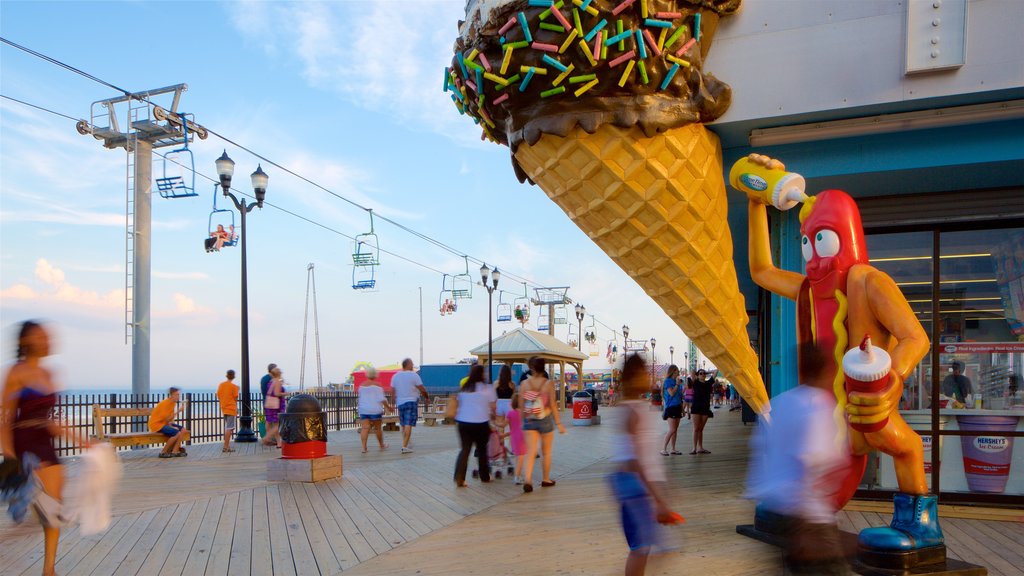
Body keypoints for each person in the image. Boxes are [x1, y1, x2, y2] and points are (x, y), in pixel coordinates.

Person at [746, 343, 853, 575]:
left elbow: (760, 451)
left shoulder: (779, 403)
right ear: (828, 370)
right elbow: (811, 461)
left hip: (776, 506)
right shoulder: (818, 406)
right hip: (809, 515)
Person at [1, 321, 67, 576]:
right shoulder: (15, 372)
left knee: (54, 507)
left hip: (45, 440)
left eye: (47, 336)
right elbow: (5, 418)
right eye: (40, 336)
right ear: (25, 342)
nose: (46, 340)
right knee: (40, 504)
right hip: (24, 440)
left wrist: (83, 440)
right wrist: (9, 456)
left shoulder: (50, 374)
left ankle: (49, 568)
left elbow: (50, 420)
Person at [610, 354, 683, 576]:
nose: (648, 376)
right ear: (633, 377)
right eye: (644, 372)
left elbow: (646, 457)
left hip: (641, 486)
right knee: (640, 549)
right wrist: (658, 498)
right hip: (636, 487)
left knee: (645, 547)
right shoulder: (632, 410)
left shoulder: (637, 407)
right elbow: (634, 461)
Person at [520, 356, 566, 493]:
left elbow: (521, 405)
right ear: (543, 367)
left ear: (531, 368)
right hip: (545, 419)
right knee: (546, 453)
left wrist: (524, 421)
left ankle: (528, 480)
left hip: (529, 420)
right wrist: (559, 424)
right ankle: (545, 479)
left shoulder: (524, 384)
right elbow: (552, 404)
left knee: (530, 452)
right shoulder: (548, 383)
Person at [452, 364, 496, 486]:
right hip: (481, 423)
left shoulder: (464, 388)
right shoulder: (488, 388)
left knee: (465, 450)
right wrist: (493, 417)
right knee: (482, 450)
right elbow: (493, 407)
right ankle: (484, 476)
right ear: (482, 374)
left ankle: (459, 477)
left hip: (463, 423)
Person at [391, 358, 428, 454]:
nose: (413, 365)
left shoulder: (396, 376)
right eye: (412, 364)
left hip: (400, 403)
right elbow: (422, 389)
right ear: (408, 365)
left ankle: (407, 442)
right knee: (408, 424)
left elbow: (392, 391)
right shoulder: (414, 375)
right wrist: (426, 397)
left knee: (403, 424)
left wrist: (393, 402)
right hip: (411, 402)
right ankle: (404, 446)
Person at [357, 367, 392, 453]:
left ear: (367, 374)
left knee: (365, 428)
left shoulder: (362, 386)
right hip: (375, 410)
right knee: (378, 428)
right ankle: (381, 445)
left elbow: (360, 399)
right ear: (375, 375)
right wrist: (388, 407)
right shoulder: (378, 385)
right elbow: (382, 399)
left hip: (364, 410)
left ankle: (364, 448)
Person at [148, 387, 189, 458]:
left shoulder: (173, 403)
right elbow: (166, 419)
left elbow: (169, 419)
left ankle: (175, 451)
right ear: (172, 395)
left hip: (164, 423)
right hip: (157, 424)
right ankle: (163, 452)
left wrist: (171, 425)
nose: (178, 396)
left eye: (179, 395)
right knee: (176, 433)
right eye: (177, 395)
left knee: (183, 430)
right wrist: (178, 411)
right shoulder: (165, 403)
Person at [262, 366, 289, 448]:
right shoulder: (277, 381)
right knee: (278, 424)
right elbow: (277, 393)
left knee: (272, 422)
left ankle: (278, 443)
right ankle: (267, 437)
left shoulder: (271, 381)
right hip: (276, 405)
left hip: (269, 404)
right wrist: (285, 394)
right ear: (279, 374)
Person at [660, 365, 683, 456]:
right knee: (672, 429)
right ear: (673, 371)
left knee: (675, 429)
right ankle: (663, 448)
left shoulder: (676, 382)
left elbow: (679, 396)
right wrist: (677, 385)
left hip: (677, 406)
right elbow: (672, 393)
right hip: (671, 407)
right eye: (677, 370)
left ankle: (673, 448)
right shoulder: (668, 382)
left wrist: (683, 409)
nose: (679, 372)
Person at [689, 369, 713, 454]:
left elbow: (716, 372)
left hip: (705, 408)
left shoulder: (708, 383)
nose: (702, 374)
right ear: (698, 375)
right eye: (701, 373)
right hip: (696, 408)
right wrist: (696, 374)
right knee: (696, 428)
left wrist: (708, 372)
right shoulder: (695, 382)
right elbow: (692, 372)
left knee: (701, 429)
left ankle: (700, 447)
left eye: (704, 373)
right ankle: (694, 448)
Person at [217, 370, 239, 453]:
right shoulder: (234, 386)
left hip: (224, 408)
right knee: (229, 428)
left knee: (227, 428)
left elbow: (218, 395)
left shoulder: (221, 385)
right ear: (233, 376)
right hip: (231, 409)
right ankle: (226, 447)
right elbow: (235, 398)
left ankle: (227, 445)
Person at [507, 394, 527, 485]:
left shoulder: (510, 413)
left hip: (513, 438)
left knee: (517, 457)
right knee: (521, 458)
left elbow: (504, 425)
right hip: (522, 437)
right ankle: (517, 477)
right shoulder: (524, 413)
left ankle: (518, 475)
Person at [494, 364, 516, 430]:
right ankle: (512, 440)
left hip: (499, 404)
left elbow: (494, 397)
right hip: (509, 405)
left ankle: (501, 440)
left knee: (500, 427)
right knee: (512, 427)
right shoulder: (512, 384)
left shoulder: (496, 383)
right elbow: (513, 397)